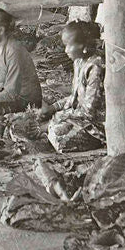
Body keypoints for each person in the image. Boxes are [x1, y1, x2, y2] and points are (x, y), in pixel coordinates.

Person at [43, 21, 106, 152]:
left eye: (68, 46)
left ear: (84, 46)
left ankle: (98, 142)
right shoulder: (78, 62)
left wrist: (61, 116)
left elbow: (89, 112)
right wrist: (53, 108)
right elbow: (75, 97)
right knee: (52, 125)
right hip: (80, 118)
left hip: (97, 123)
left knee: (58, 137)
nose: (65, 50)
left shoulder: (95, 67)